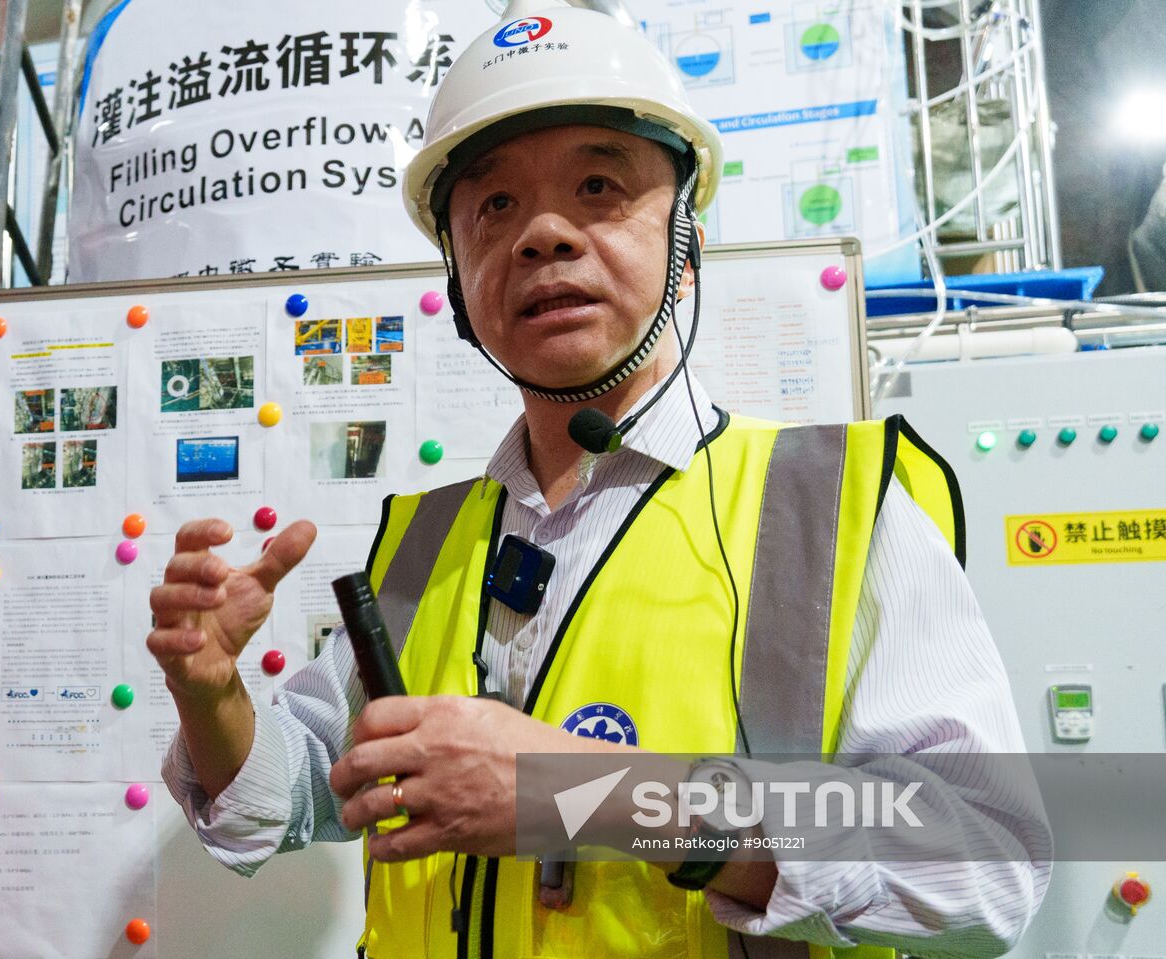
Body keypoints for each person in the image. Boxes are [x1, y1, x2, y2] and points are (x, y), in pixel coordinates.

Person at [147, 3, 1050, 956]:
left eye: (597, 186)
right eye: (494, 206)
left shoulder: (827, 510)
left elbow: (983, 870)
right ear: (459, 279)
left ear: (687, 250)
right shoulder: (425, 545)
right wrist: (212, 695)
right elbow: (281, 805)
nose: (542, 234)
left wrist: (592, 793)